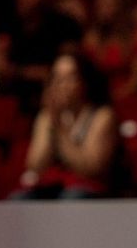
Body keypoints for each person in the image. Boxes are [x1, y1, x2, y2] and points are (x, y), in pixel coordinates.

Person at [12, 53, 117, 199]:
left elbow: (91, 168)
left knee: (72, 198)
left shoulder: (101, 116)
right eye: (57, 79)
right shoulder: (47, 116)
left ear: (84, 81)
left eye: (70, 78)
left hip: (87, 190)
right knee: (18, 199)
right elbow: (36, 166)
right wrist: (51, 122)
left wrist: (60, 128)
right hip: (53, 186)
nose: (62, 85)